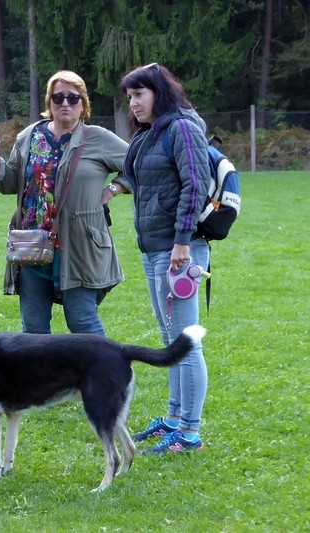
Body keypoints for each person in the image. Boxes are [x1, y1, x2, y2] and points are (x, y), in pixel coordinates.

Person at [107, 63, 211, 453]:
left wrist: (182, 243)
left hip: (178, 250)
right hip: (155, 249)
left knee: (186, 341)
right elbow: (139, 176)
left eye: (139, 95)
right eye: (130, 97)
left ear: (159, 93)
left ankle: (190, 432)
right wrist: (115, 189)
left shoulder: (181, 127)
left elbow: (195, 183)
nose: (133, 103)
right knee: (170, 341)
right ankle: (173, 418)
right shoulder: (150, 133)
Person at [0, 70, 128, 336]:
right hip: (32, 245)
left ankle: (106, 377)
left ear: (83, 105)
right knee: (34, 328)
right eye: (58, 97)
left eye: (73, 98)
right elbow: (10, 183)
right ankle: (44, 379)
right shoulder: (29, 136)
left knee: (82, 321)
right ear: (49, 102)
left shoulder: (98, 138)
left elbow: (138, 164)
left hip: (79, 245)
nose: (65, 104)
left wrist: (114, 189)